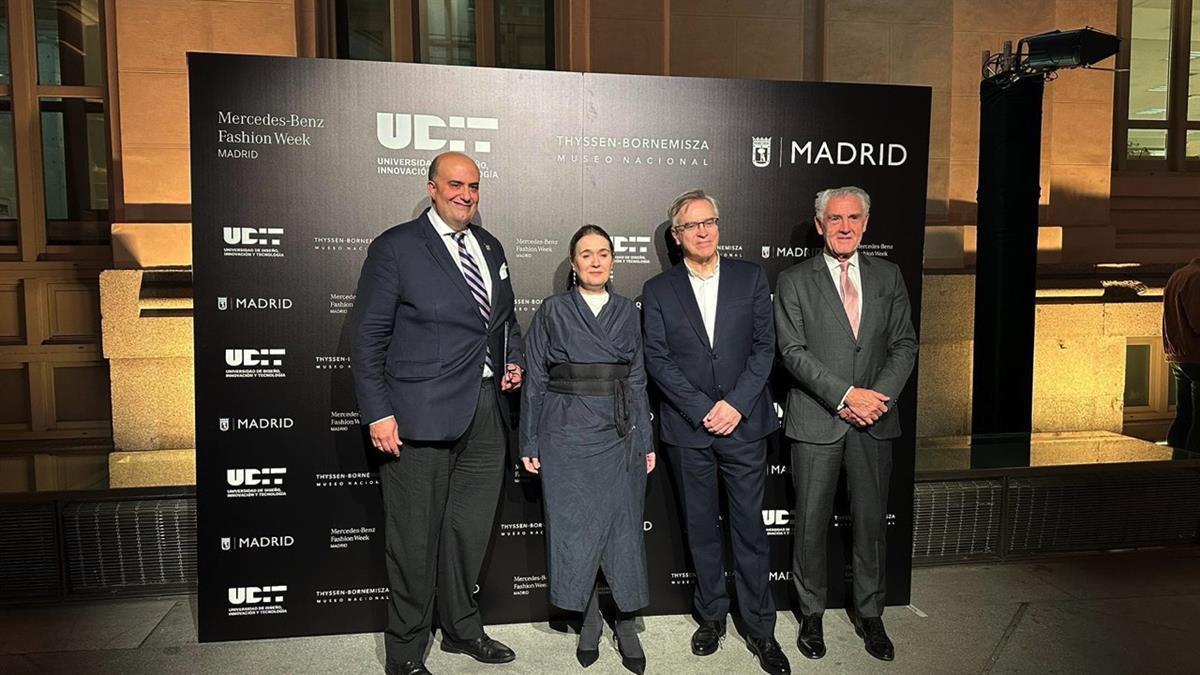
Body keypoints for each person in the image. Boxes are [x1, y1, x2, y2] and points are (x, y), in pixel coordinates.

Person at [350, 151, 524, 675]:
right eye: (454, 184)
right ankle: (405, 652)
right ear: (431, 187)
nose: (466, 194)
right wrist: (378, 413)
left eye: (473, 185)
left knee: (467, 533)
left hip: (486, 415)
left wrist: (512, 359)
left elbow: (504, 322)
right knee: (414, 540)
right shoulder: (396, 247)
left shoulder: (489, 246)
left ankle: (461, 629)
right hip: (417, 418)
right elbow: (366, 337)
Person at [641, 190, 790, 675]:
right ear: (676, 236)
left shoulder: (750, 278)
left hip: (743, 428)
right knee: (702, 529)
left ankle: (762, 629)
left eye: (710, 222)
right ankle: (711, 617)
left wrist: (735, 406)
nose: (704, 231)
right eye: (692, 225)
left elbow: (765, 349)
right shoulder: (659, 290)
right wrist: (704, 409)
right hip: (689, 430)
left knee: (750, 529)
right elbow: (658, 360)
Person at [774, 186, 917, 663]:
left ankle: (871, 614)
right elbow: (792, 352)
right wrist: (844, 396)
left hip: (874, 421)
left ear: (866, 223)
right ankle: (811, 615)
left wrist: (875, 401)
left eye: (853, 217)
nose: (844, 226)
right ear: (819, 225)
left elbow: (904, 345)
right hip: (817, 419)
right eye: (835, 218)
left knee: (871, 525)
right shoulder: (794, 280)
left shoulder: (889, 275)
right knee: (810, 525)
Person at [520, 225, 655, 675]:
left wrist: (646, 440)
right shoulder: (553, 311)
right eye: (585, 255)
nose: (595, 261)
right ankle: (589, 618)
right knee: (575, 527)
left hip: (620, 434)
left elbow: (637, 379)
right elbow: (535, 379)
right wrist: (529, 440)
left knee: (622, 526)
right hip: (564, 431)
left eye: (603, 253)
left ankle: (625, 619)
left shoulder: (627, 312)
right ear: (573, 265)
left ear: (613, 261)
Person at [1164, 257, 1200, 452]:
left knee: (1184, 414)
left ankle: (1175, 461)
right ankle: (1193, 468)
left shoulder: (1179, 274)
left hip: (1180, 354)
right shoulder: (1197, 278)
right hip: (1196, 355)